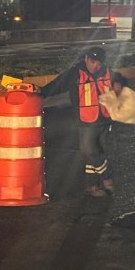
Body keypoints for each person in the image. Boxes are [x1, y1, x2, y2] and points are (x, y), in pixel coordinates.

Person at [40, 46, 115, 197]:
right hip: (86, 121)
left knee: (94, 153)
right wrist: (40, 92)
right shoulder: (75, 73)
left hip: (105, 120)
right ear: (87, 59)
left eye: (99, 63)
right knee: (88, 150)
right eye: (93, 61)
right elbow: (57, 85)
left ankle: (92, 186)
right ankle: (107, 177)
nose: (96, 66)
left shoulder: (107, 72)